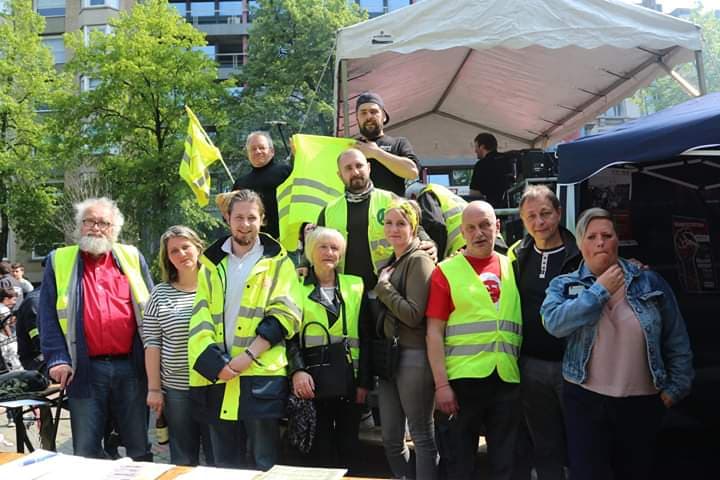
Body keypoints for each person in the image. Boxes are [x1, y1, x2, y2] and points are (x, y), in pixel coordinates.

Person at [541, 208, 693, 480]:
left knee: (636, 472)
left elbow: (676, 338)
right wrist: (600, 290)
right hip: (586, 401)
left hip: (641, 404)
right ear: (580, 243)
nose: (600, 242)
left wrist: (676, 389)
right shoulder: (564, 285)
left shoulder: (649, 281)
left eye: (607, 235)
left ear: (617, 240)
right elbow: (554, 324)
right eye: (591, 236)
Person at [188, 189, 301, 470]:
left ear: (262, 220)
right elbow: (199, 317)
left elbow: (286, 314)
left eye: (252, 217)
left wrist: (247, 357)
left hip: (260, 374)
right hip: (218, 375)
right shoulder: (211, 264)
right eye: (239, 217)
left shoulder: (279, 261)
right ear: (228, 218)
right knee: (224, 463)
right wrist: (216, 364)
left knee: (264, 461)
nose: (245, 223)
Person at [38, 197, 153, 460]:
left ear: (115, 229)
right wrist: (57, 359)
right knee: (86, 449)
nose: (96, 228)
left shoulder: (133, 257)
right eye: (89, 221)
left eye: (104, 223)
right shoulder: (60, 260)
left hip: (132, 367)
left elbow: (152, 309)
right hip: (85, 368)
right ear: (79, 227)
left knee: (138, 446)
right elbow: (47, 316)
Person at [426, 201, 523, 480]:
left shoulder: (513, 265)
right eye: (471, 228)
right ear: (462, 233)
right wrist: (442, 385)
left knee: (506, 464)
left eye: (485, 225)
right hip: (462, 383)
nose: (479, 233)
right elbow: (434, 332)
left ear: (497, 227)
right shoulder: (446, 271)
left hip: (505, 378)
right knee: (459, 465)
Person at [507, 185, 581, 480]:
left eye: (545, 214)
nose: (539, 222)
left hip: (574, 366)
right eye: (531, 216)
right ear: (523, 221)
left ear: (559, 213)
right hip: (531, 365)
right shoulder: (517, 255)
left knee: (581, 440)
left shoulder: (581, 254)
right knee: (544, 442)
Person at [287, 227, 371, 473]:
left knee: (350, 448)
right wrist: (297, 371)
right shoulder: (296, 286)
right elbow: (289, 337)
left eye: (335, 248)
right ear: (311, 252)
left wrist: (364, 382)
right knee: (318, 450)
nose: (329, 252)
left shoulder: (355, 285)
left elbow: (366, 336)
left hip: (349, 382)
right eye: (323, 247)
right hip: (312, 385)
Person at [374, 199, 438, 479]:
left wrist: (385, 289)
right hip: (390, 358)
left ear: (413, 227)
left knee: (422, 437)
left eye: (401, 223)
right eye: (388, 223)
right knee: (390, 439)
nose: (394, 229)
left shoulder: (419, 260)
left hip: (413, 356)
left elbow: (414, 315)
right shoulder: (393, 261)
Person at [143, 225, 213, 466]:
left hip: (215, 386)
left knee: (219, 456)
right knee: (183, 457)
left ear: (198, 248)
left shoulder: (217, 287)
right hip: (177, 389)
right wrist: (154, 389)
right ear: (167, 258)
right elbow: (152, 343)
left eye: (186, 247)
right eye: (174, 251)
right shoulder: (160, 294)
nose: (181, 254)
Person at [354, 92, 418, 196]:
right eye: (363, 112)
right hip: (359, 211)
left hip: (392, 209)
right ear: (357, 118)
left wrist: (376, 153)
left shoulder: (399, 143)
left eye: (373, 111)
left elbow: (412, 172)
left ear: (384, 116)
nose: (368, 116)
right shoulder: (350, 147)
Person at [232, 131, 292, 239]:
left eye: (262, 147)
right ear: (248, 154)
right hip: (251, 242)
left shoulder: (286, 172)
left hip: (284, 239)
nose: (258, 151)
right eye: (253, 149)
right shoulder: (240, 183)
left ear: (272, 151)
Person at [407, 182, 467, 261]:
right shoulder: (440, 191)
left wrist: (437, 256)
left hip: (461, 245)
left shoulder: (425, 194)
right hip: (470, 240)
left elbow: (436, 226)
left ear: (413, 197)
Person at [469, 133, 514, 207]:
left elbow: (474, 193)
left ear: (482, 147)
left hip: (492, 209)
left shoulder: (481, 165)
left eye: (476, 147)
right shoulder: (509, 159)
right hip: (513, 208)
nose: (475, 151)